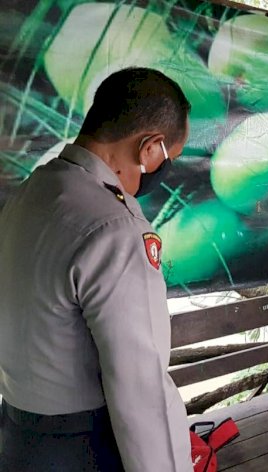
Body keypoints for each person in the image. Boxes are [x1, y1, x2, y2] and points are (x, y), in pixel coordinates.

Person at [0, 68, 192, 471]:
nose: (164, 169)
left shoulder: (31, 193)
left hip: (17, 440)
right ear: (150, 148)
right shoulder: (115, 229)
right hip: (83, 450)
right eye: (169, 158)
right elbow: (142, 397)